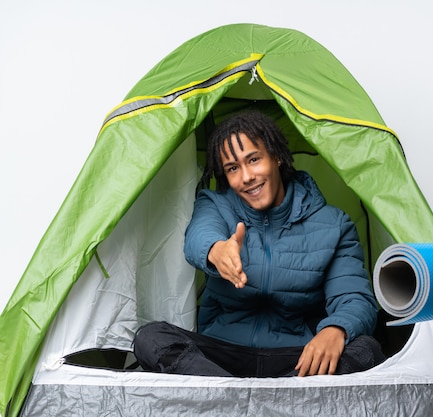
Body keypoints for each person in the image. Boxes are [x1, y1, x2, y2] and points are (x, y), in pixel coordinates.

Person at [133, 110, 385, 377]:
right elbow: (200, 235)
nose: (246, 177)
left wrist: (337, 329)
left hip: (298, 360)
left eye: (253, 160)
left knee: (366, 348)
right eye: (232, 168)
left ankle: (238, 402)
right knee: (150, 338)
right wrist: (216, 250)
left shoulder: (334, 224)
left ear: (276, 156)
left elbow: (354, 298)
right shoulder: (216, 203)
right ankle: (252, 401)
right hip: (221, 356)